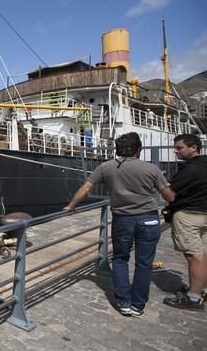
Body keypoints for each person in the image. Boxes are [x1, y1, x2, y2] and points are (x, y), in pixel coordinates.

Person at [63, 132, 174, 316]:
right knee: (144, 263)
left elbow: (86, 187)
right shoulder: (151, 169)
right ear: (139, 149)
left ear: (118, 149)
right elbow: (168, 196)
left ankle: (123, 302)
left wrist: (71, 206)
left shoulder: (106, 167)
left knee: (120, 259)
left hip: (122, 219)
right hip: (148, 218)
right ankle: (138, 305)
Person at [163, 133, 207, 310]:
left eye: (179, 148)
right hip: (205, 214)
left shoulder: (190, 169)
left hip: (189, 215)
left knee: (193, 256)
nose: (176, 152)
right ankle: (202, 289)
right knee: (202, 254)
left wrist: (160, 184)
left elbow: (170, 195)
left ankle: (194, 297)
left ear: (193, 147)